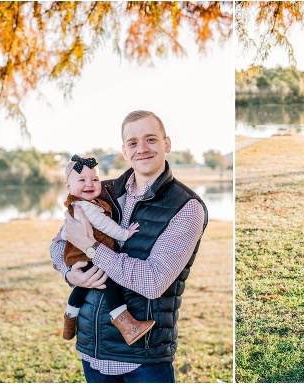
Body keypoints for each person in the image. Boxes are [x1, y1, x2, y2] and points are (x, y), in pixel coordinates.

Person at [50, 110, 208, 382]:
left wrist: (91, 248)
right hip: (92, 349)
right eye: (133, 143)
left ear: (166, 144)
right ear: (124, 151)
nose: (142, 149)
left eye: (151, 139)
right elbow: (58, 243)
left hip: (144, 358)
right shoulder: (99, 192)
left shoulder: (186, 207)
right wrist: (69, 273)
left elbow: (153, 281)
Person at [58, 154, 153, 345]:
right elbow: (106, 225)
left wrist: (61, 235)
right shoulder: (88, 207)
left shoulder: (77, 204)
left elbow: (66, 231)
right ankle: (128, 326)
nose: (90, 184)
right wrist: (125, 234)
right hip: (88, 255)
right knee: (109, 283)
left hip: (78, 258)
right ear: (68, 186)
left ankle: (69, 323)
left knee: (81, 287)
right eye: (82, 180)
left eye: (95, 179)